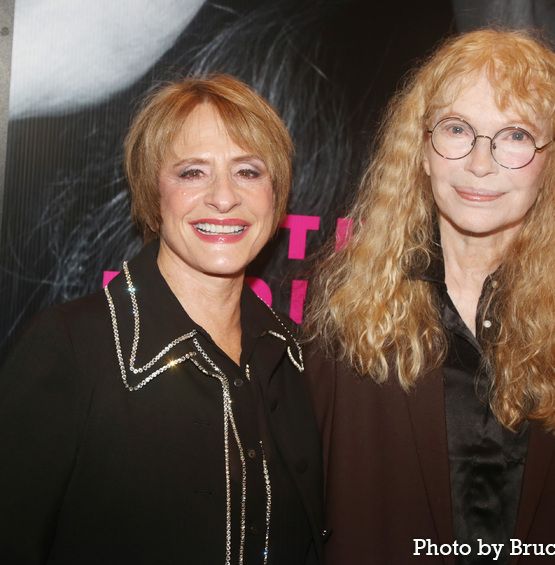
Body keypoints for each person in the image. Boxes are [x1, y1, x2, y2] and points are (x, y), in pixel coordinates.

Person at [304, 29, 555, 564]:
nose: (480, 163)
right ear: (422, 150)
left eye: (514, 135)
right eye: (456, 129)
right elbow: (304, 507)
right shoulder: (344, 296)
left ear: (552, 162)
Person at [0, 74, 323, 564]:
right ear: (154, 191)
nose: (223, 197)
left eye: (249, 172)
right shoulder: (69, 347)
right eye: (192, 172)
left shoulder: (297, 357)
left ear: (276, 196)